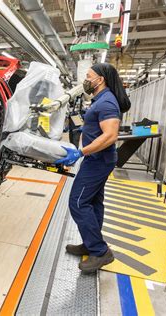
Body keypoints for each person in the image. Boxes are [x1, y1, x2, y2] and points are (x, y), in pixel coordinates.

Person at [55, 63, 131, 274]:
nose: (86, 80)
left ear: (101, 79)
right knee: (94, 202)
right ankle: (91, 244)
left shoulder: (107, 103)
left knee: (78, 202)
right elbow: (100, 128)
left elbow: (110, 136)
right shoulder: (101, 100)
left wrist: (81, 152)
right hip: (97, 159)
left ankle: (100, 251)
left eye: (89, 76)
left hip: (98, 160)